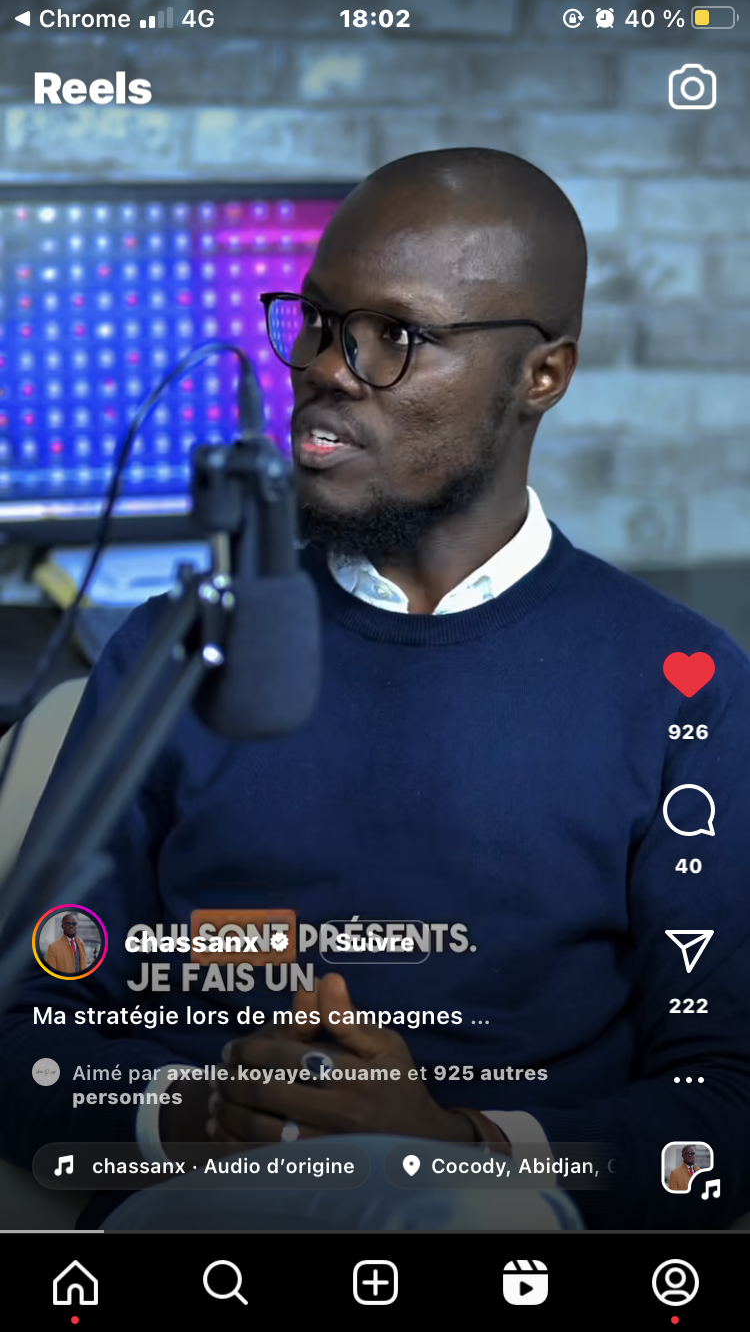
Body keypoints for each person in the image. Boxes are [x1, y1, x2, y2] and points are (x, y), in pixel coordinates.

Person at [2, 148, 750, 1233]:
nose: (327, 367)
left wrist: (462, 1142)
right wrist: (201, 1111)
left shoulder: (684, 685)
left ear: (542, 376)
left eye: (394, 335)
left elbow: (724, 1102)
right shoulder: (173, 650)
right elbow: (28, 1026)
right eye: (317, 322)